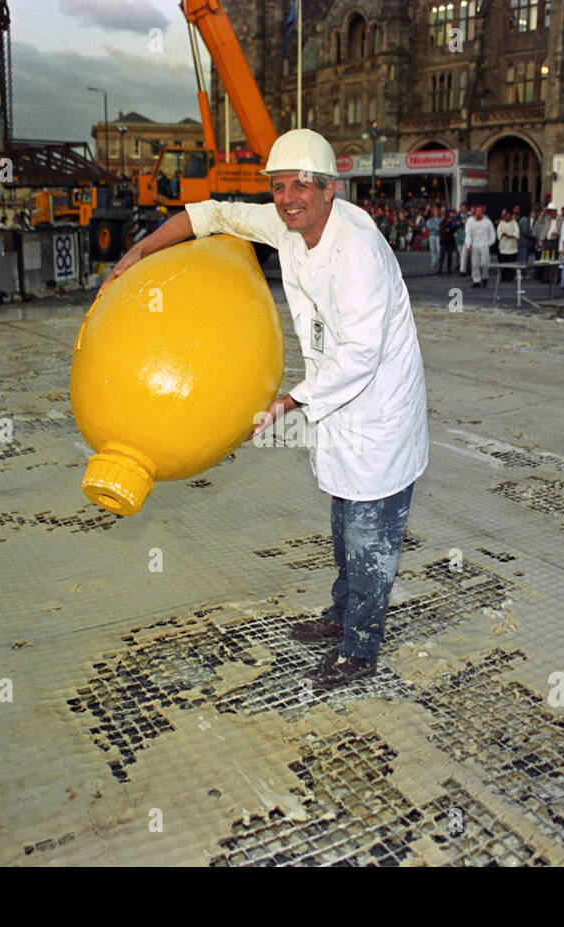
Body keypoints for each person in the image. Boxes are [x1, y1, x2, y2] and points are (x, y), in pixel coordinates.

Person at [99, 128, 428, 689]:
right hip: (337, 408)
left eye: (301, 184)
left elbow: (361, 357)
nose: (288, 196)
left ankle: (359, 651)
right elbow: (210, 215)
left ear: (329, 189)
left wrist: (289, 401)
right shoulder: (285, 224)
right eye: (278, 185)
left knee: (371, 538)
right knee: (345, 522)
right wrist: (139, 250)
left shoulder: (360, 252)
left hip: (379, 413)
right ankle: (340, 616)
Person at [465, 205, 495, 287]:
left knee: (484, 263)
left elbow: (492, 234)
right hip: (475, 245)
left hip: (484, 245)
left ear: (482, 212)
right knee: (475, 264)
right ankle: (476, 280)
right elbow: (468, 234)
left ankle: (485, 277)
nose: (478, 213)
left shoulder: (487, 222)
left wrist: (490, 243)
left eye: (480, 211)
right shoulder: (470, 221)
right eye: (477, 211)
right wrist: (468, 245)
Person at [496, 208, 520, 283]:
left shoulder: (514, 223)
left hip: (512, 247)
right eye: (507, 216)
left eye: (509, 216)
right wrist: (503, 235)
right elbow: (499, 233)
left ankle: (510, 277)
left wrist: (511, 235)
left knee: (511, 263)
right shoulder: (501, 223)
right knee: (504, 263)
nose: (508, 217)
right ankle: (504, 277)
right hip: (503, 247)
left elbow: (517, 233)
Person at [438, 208, 458, 274]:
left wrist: (449, 229)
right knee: (442, 256)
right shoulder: (443, 221)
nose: (452, 214)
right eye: (451, 213)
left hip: (450, 241)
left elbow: (453, 229)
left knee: (450, 256)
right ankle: (440, 269)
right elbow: (442, 229)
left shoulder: (453, 221)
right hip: (444, 241)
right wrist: (447, 230)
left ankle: (449, 269)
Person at [426, 206, 443, 270]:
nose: (435, 213)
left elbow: (440, 228)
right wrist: (436, 227)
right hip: (432, 236)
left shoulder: (440, 220)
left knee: (439, 249)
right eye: (434, 212)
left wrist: (434, 227)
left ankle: (439, 261)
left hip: (438, 236)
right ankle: (434, 261)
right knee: (433, 249)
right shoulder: (430, 220)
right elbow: (429, 227)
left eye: (436, 212)